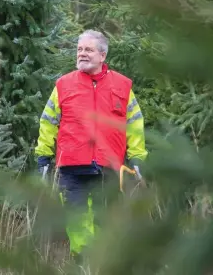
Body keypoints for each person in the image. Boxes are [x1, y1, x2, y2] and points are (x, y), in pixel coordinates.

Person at [35, 30, 147, 258]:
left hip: (109, 168)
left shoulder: (123, 86)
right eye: (79, 49)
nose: (82, 54)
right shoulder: (63, 85)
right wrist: (43, 158)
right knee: (76, 223)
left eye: (88, 49)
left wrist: (137, 160)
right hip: (72, 168)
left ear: (102, 55)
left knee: (106, 223)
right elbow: (47, 122)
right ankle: (83, 264)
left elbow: (134, 125)